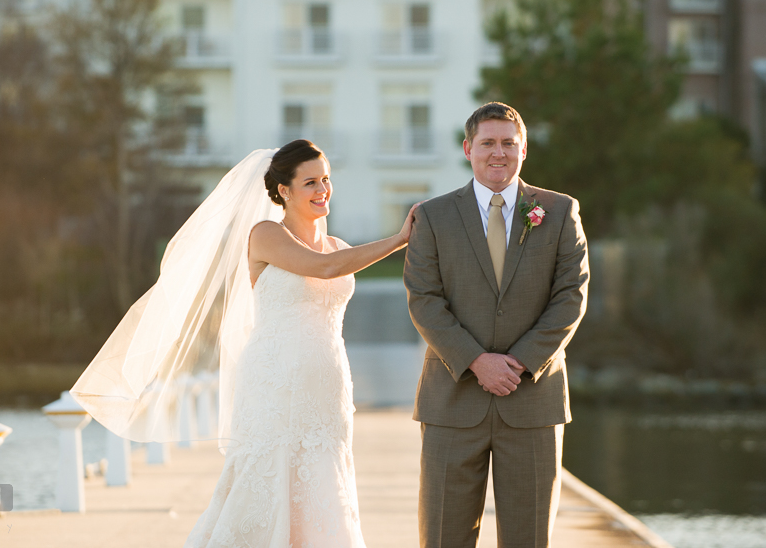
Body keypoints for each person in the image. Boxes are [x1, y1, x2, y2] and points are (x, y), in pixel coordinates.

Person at [72, 139, 415, 547]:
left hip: (328, 385)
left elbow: (334, 261)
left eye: (325, 179)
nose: (323, 189)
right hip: (275, 382)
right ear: (284, 191)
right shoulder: (266, 235)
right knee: (266, 478)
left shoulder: (340, 246)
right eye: (310, 182)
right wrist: (398, 239)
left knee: (325, 480)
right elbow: (323, 269)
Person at [404, 102, 589, 548]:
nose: (498, 152)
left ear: (524, 149)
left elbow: (571, 296)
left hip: (533, 403)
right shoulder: (432, 216)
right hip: (452, 400)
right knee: (443, 536)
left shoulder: (560, 211)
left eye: (509, 143)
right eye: (487, 142)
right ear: (468, 148)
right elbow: (424, 300)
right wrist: (476, 361)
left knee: (529, 539)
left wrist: (520, 363)